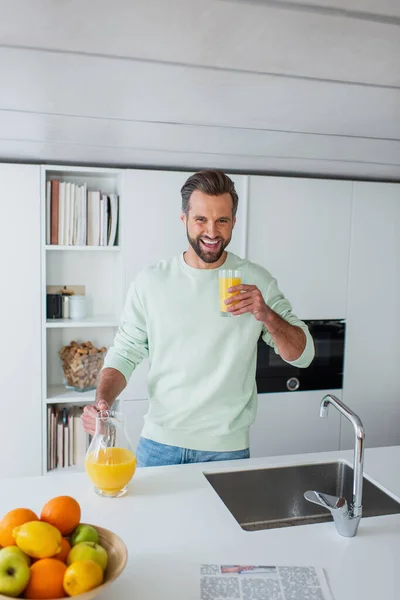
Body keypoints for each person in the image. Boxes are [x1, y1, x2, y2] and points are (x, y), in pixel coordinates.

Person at [82, 170, 315, 467]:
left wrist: (266, 314)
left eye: (222, 220)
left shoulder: (256, 281)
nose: (212, 232)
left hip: (226, 449)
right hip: (159, 445)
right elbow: (125, 353)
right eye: (201, 219)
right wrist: (103, 401)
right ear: (184, 219)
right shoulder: (151, 282)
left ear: (233, 222)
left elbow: (303, 355)